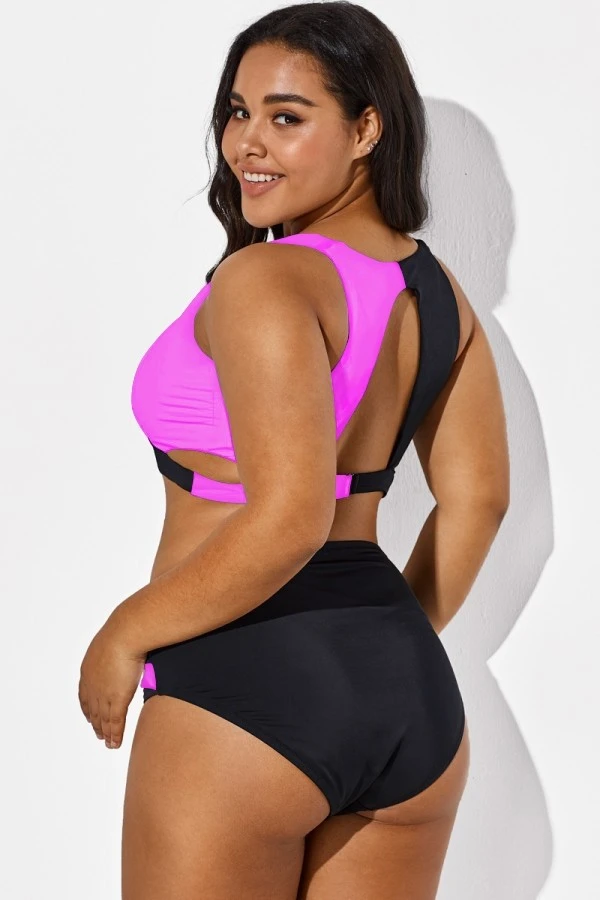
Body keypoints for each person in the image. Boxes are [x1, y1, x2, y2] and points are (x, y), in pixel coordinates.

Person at [78, 2, 509, 897]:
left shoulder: (267, 279)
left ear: (366, 130)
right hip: (408, 698)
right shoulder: (439, 295)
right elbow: (480, 502)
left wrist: (125, 632)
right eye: (238, 112)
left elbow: (290, 517)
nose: (247, 144)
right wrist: (375, 649)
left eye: (286, 117)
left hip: (243, 682)